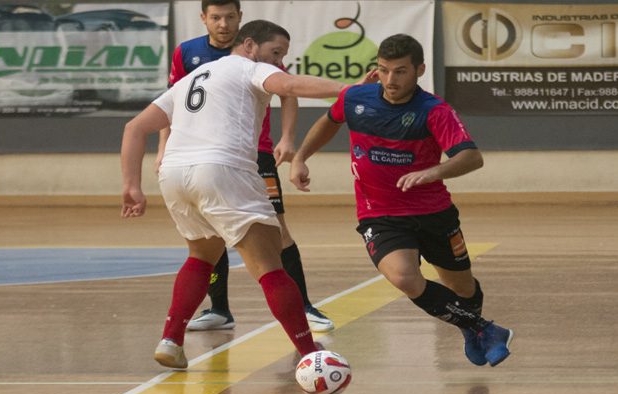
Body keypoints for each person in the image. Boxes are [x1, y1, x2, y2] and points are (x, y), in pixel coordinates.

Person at [121, 20, 357, 369]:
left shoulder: (190, 79)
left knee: (202, 256)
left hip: (174, 174)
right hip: (222, 169)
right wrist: (349, 89)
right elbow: (290, 85)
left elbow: (134, 127)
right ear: (249, 45)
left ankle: (171, 339)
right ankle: (311, 356)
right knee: (269, 267)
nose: (277, 62)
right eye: (275, 53)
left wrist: (132, 186)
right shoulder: (250, 67)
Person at [289, 34, 514, 367]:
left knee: (461, 286)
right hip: (379, 214)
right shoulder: (355, 97)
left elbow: (471, 157)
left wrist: (433, 172)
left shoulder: (434, 110)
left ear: (419, 70)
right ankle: (484, 329)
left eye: (400, 72)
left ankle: (472, 328)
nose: (390, 80)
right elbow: (329, 121)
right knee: (404, 277)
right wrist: (300, 157)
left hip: (433, 212)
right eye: (383, 70)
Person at [155, 0, 334, 333]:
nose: (223, 24)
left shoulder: (260, 50)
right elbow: (171, 102)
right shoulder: (187, 53)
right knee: (209, 233)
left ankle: (304, 306)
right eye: (216, 17)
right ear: (204, 19)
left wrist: (287, 138)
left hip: (254, 151)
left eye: (230, 17)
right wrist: (163, 147)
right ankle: (219, 308)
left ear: (240, 20)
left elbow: (289, 90)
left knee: (277, 228)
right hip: (201, 156)